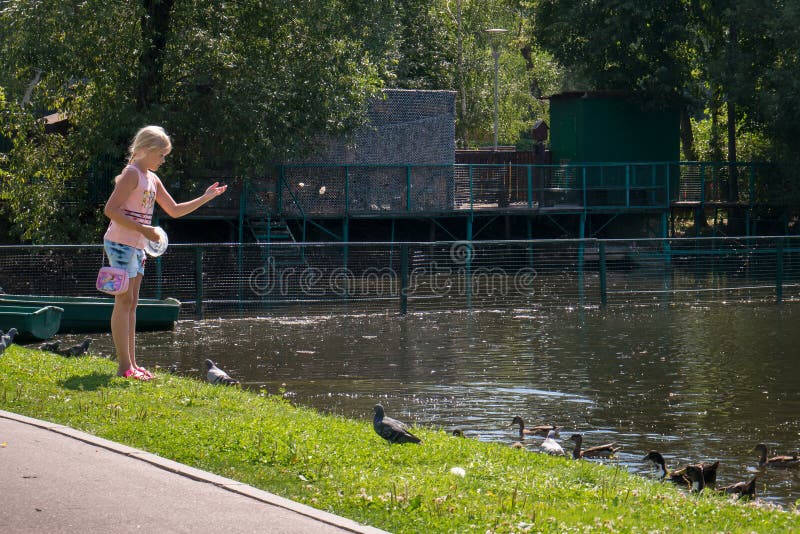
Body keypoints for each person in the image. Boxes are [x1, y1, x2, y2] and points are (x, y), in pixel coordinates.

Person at [103, 125, 227, 380]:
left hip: (138, 245)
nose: (163, 159)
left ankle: (133, 365)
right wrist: (145, 230)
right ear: (146, 150)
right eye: (161, 154)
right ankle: (123, 367)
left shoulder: (152, 178)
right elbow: (111, 210)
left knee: (132, 303)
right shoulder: (131, 174)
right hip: (120, 243)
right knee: (123, 302)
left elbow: (175, 209)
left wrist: (206, 197)